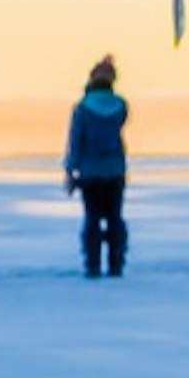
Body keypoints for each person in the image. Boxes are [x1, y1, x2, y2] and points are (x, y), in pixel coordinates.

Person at [64, 56, 130, 277]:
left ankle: (92, 263)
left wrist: (70, 170)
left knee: (92, 218)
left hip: (90, 171)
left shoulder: (82, 110)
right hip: (115, 170)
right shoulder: (121, 106)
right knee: (115, 217)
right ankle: (116, 263)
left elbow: (76, 141)